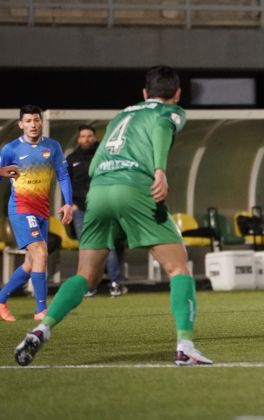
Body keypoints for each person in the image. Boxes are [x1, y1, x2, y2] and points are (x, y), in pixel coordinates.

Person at [14, 65, 212, 366]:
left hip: (99, 191)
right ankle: (185, 345)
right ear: (178, 93)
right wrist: (159, 169)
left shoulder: (122, 115)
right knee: (178, 268)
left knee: (86, 275)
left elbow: (93, 167)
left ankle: (42, 329)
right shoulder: (169, 112)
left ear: (144, 92)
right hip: (133, 188)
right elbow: (161, 129)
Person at [0, 105, 74, 323]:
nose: (33, 125)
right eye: (28, 121)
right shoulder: (11, 149)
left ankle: (1, 300)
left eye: (36, 120)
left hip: (42, 210)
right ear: (20, 124)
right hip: (21, 208)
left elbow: (62, 175)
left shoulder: (52, 146)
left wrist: (68, 203)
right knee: (41, 252)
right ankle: (42, 309)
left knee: (31, 263)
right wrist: (11, 173)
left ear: (41, 122)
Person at [67, 125, 127, 297]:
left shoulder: (104, 155)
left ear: (94, 137)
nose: (86, 139)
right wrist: (70, 205)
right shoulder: (72, 158)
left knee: (107, 246)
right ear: (79, 139)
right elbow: (66, 184)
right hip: (80, 210)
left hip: (102, 207)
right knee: (87, 248)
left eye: (89, 136)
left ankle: (115, 282)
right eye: (83, 136)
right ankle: (90, 285)